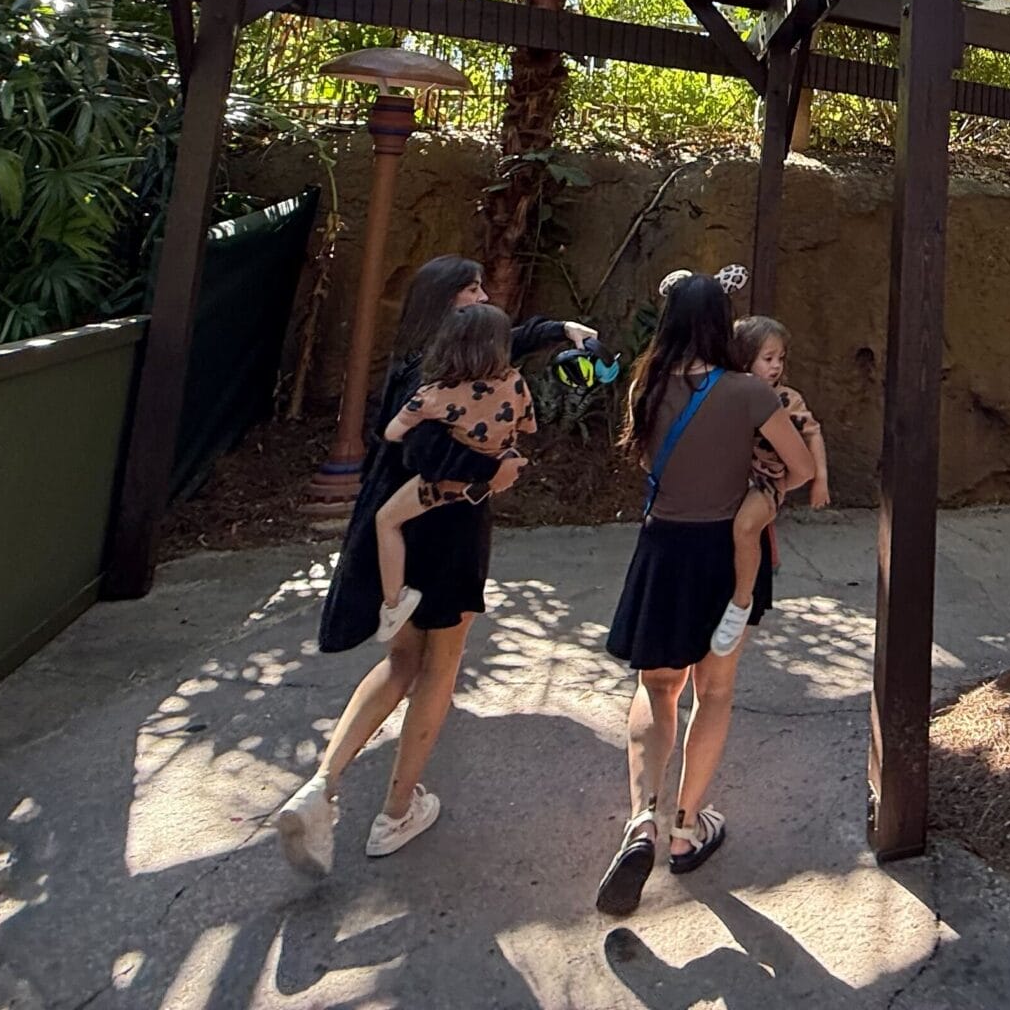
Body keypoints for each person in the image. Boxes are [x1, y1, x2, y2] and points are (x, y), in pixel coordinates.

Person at [275, 255, 592, 874]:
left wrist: (561, 331)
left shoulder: (429, 364)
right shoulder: (436, 375)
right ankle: (396, 813)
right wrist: (490, 470)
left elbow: (504, 335)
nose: (480, 297)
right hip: (446, 534)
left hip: (399, 528)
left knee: (400, 661)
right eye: (468, 290)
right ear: (444, 303)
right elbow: (426, 449)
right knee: (439, 669)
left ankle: (320, 785)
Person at [595, 269, 812, 916]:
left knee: (655, 688)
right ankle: (687, 829)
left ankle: (642, 821)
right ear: (723, 325)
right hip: (724, 553)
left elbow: (643, 460)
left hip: (663, 550)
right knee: (712, 690)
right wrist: (761, 493)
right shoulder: (749, 392)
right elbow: (799, 467)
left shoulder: (647, 385)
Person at [372, 303, 534, 644]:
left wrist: (415, 418)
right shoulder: (516, 382)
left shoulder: (435, 394)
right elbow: (527, 424)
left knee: (387, 520)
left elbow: (391, 432)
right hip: (488, 478)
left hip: (441, 486)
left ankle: (393, 602)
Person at [713, 315, 828, 657]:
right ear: (744, 356)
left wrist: (819, 478)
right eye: (768, 358)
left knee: (746, 528)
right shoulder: (729, 390)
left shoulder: (787, 400)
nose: (776, 366)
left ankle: (741, 603)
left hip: (767, 481)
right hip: (732, 476)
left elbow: (813, 432)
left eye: (780, 358)